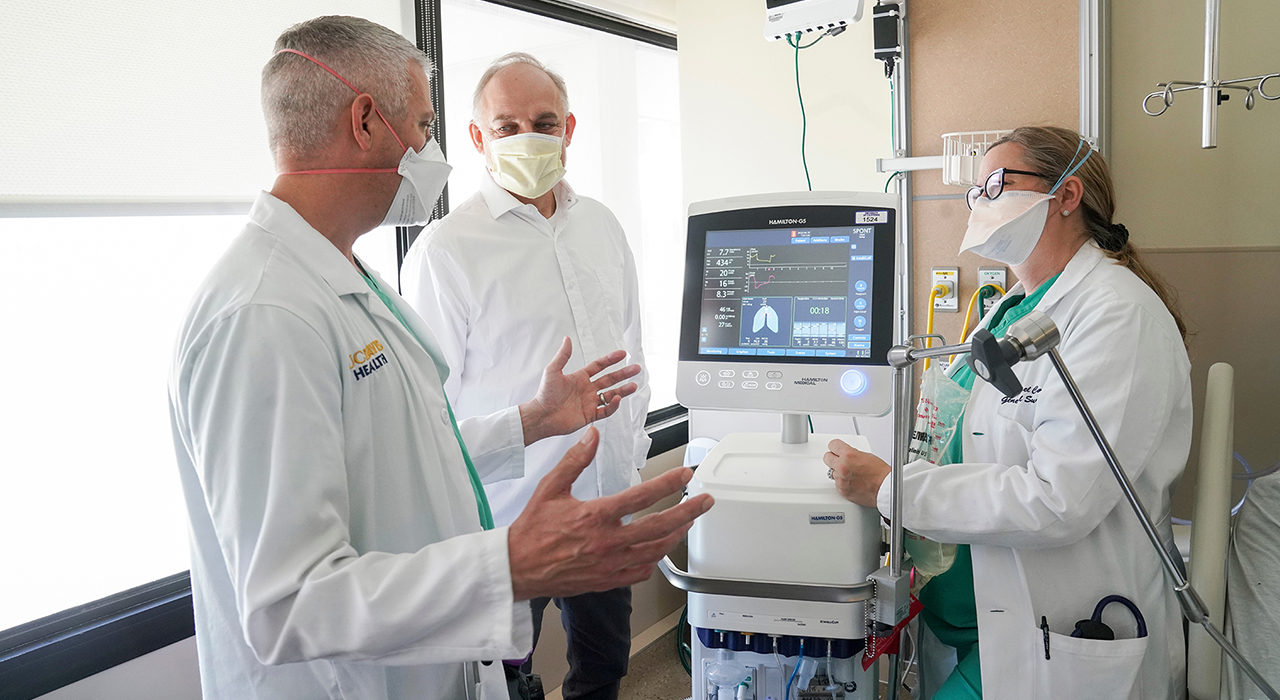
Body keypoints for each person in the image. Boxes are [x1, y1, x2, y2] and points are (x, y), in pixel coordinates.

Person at [168, 17, 712, 700]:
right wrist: (506, 561)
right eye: (425, 128)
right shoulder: (263, 315)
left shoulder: (345, 279)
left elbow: (419, 447)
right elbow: (285, 608)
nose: (433, 151)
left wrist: (533, 420)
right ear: (366, 122)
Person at [825, 126, 1191, 700]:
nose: (981, 202)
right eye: (976, 191)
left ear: (1066, 196)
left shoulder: (1118, 315)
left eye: (997, 183)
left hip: (1059, 624)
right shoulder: (1005, 313)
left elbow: (1058, 499)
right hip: (971, 614)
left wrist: (894, 489)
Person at [400, 53, 648, 700]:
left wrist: (632, 462)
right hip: (508, 523)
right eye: (506, 126)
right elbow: (428, 417)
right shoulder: (446, 252)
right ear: (478, 138)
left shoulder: (602, 227)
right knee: (505, 685)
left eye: (544, 121)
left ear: (569, 130)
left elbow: (632, 355)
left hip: (602, 506)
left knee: (604, 672)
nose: (528, 136)